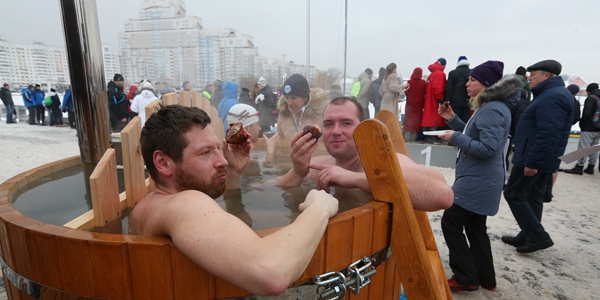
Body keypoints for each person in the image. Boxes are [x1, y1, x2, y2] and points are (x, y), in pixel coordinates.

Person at [131, 104, 339, 296]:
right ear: (163, 163)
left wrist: (234, 174)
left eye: (217, 149)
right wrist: (319, 208)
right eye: (205, 153)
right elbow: (271, 273)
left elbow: (213, 226)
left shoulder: (144, 207)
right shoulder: (185, 202)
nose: (222, 160)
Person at [278, 96, 454, 212]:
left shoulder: (383, 163)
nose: (335, 131)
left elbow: (443, 195)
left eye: (346, 123)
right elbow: (271, 190)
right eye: (329, 124)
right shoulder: (319, 164)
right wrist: (297, 171)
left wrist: (356, 179)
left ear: (362, 129)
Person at [437, 61, 522, 292]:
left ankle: (466, 277)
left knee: (451, 222)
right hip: (481, 179)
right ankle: (486, 279)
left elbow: (488, 148)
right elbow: (474, 134)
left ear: (485, 84)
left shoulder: (493, 108)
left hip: (478, 180)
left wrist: (455, 137)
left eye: (472, 80)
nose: (467, 83)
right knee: (475, 227)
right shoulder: (492, 106)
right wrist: (453, 120)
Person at [502, 59, 573, 253]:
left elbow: (548, 133)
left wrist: (533, 162)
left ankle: (537, 236)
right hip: (541, 157)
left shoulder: (552, 97)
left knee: (513, 193)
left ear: (546, 75)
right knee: (533, 197)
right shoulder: (552, 94)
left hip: (533, 158)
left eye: (533, 74)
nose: (529, 78)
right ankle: (527, 235)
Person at [563, 83, 600, 175]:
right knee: (594, 148)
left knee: (584, 147)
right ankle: (591, 166)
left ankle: (579, 166)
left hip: (588, 127)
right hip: (598, 128)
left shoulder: (591, 98)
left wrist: (582, 123)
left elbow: (586, 113)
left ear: (588, 91)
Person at [276, 75, 327, 140]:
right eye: (287, 98)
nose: (289, 102)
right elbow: (280, 142)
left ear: (305, 98)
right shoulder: (283, 115)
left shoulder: (320, 114)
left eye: (294, 98)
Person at [421, 59, 447, 133]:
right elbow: (438, 88)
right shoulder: (440, 74)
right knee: (435, 116)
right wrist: (440, 99)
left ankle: (426, 133)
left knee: (429, 116)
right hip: (435, 99)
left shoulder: (431, 74)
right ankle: (432, 135)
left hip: (428, 99)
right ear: (443, 65)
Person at [444, 56, 471, 123]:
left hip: (455, 101)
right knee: (465, 121)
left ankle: (455, 133)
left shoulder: (452, 73)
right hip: (468, 101)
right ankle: (464, 133)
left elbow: (449, 88)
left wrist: (448, 100)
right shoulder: (471, 72)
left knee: (455, 121)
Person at [403, 67, 427, 142]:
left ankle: (407, 138)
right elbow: (425, 93)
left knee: (408, 122)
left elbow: (406, 92)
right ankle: (413, 139)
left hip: (409, 104)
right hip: (418, 105)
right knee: (416, 123)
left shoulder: (409, 82)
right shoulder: (423, 83)